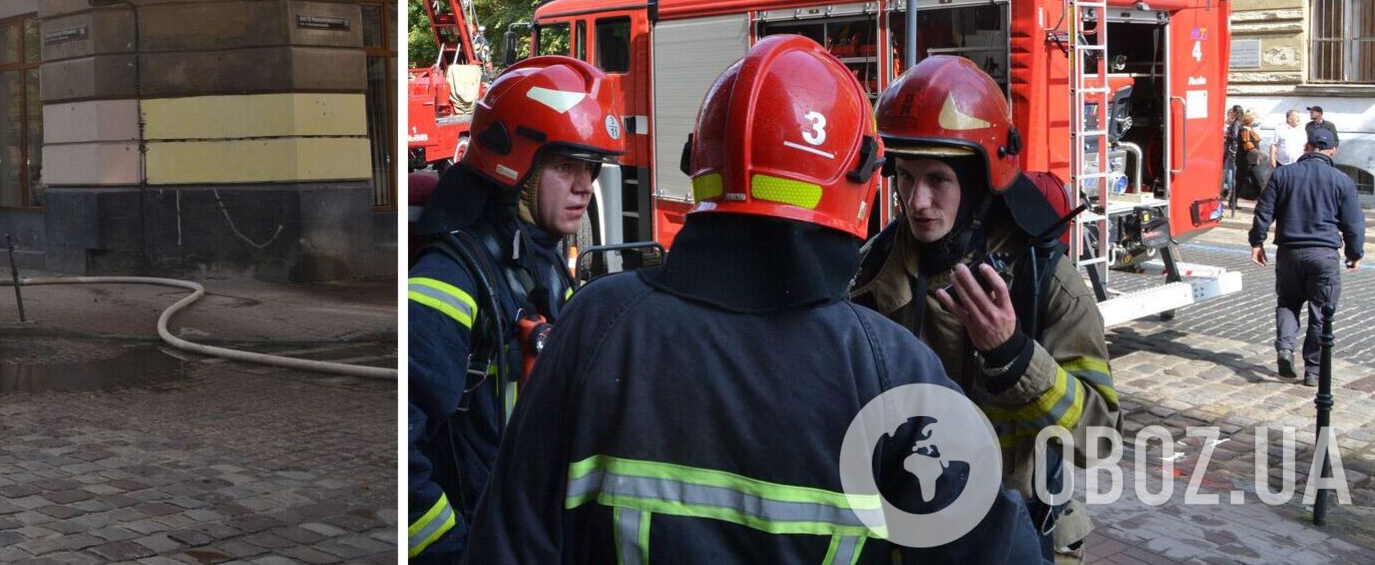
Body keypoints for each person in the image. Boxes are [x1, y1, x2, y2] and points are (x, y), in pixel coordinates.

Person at [463, 36, 1042, 563]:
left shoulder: (597, 327)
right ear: (857, 182)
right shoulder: (890, 369)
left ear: (700, 169)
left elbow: (507, 545)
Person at [851, 56, 1120, 564]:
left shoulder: (1046, 282)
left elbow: (1100, 439)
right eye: (905, 177)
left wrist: (1016, 359)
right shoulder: (872, 271)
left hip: (1011, 541)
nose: (917, 200)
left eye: (938, 179)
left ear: (978, 184)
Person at [407, 56, 625, 563]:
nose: (584, 187)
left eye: (590, 169)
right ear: (515, 165)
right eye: (565, 166)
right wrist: (449, 549)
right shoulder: (451, 281)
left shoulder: (544, 266)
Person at [1250, 123, 1364, 386]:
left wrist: (1257, 241)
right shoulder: (1343, 181)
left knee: (1288, 302)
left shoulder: (1283, 175)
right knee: (1321, 314)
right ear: (1333, 151)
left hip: (1289, 252)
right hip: (1324, 254)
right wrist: (1354, 253)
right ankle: (1313, 372)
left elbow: (1264, 211)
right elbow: (1353, 223)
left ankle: (1285, 349)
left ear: (1305, 147)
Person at [1240, 110, 1269, 202]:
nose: (1257, 121)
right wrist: (1260, 154)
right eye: (1255, 119)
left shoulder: (1251, 130)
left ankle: (1260, 199)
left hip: (1252, 160)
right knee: (1243, 181)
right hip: (1246, 160)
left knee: (1259, 181)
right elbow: (1248, 146)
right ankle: (1233, 202)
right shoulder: (1244, 130)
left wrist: (1258, 157)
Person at [1223, 105, 1245, 211]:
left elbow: (1235, 137)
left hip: (1233, 151)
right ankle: (1232, 201)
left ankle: (1232, 200)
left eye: (1233, 111)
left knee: (1233, 175)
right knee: (1232, 175)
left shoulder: (1236, 122)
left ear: (1236, 112)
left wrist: (1227, 135)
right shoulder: (1239, 122)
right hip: (1235, 151)